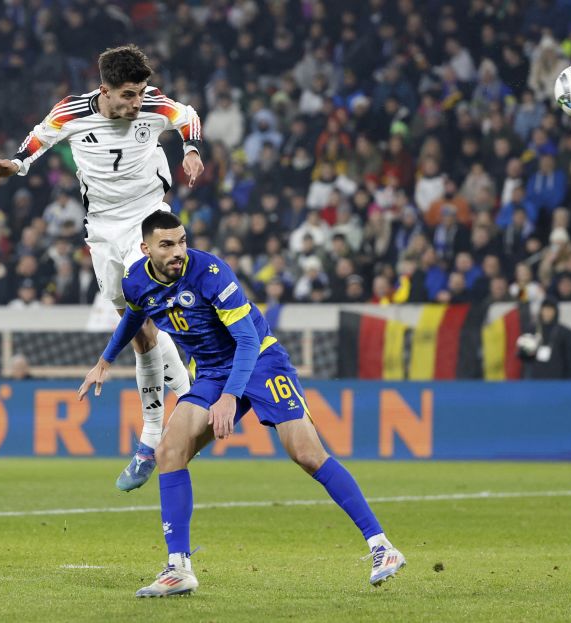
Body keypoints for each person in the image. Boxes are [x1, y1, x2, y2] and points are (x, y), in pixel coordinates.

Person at [78, 211, 405, 597]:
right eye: (167, 245)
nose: (178, 251)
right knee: (169, 450)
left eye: (182, 241)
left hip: (261, 361)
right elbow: (134, 318)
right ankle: (178, 568)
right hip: (214, 371)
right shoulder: (135, 281)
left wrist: (231, 398)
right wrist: (105, 361)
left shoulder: (211, 273)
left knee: (306, 452)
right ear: (146, 249)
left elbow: (248, 340)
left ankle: (382, 547)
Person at [0, 45, 204, 492]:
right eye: (128, 95)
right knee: (138, 323)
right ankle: (181, 386)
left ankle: (149, 436)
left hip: (146, 216)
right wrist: (16, 164)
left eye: (140, 93)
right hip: (101, 228)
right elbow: (37, 139)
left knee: (142, 306)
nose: (137, 103)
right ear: (104, 90)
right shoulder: (71, 111)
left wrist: (191, 150)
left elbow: (188, 115)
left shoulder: (154, 104)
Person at [517, 298, 571, 379]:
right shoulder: (531, 330)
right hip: (535, 378)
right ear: (541, 311)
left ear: (555, 312)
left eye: (550, 310)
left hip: (557, 378)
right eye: (545, 309)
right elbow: (523, 357)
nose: (547, 313)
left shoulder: (564, 332)